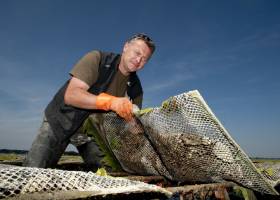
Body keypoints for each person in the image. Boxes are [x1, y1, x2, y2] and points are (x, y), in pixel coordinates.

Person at [23, 33, 155, 170]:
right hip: (61, 120)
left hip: (91, 133)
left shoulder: (136, 89)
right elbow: (72, 95)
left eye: (144, 59)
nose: (138, 60)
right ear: (126, 47)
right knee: (35, 170)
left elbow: (133, 123)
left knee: (107, 172)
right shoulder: (98, 59)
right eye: (137, 52)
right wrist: (110, 102)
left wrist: (139, 128)